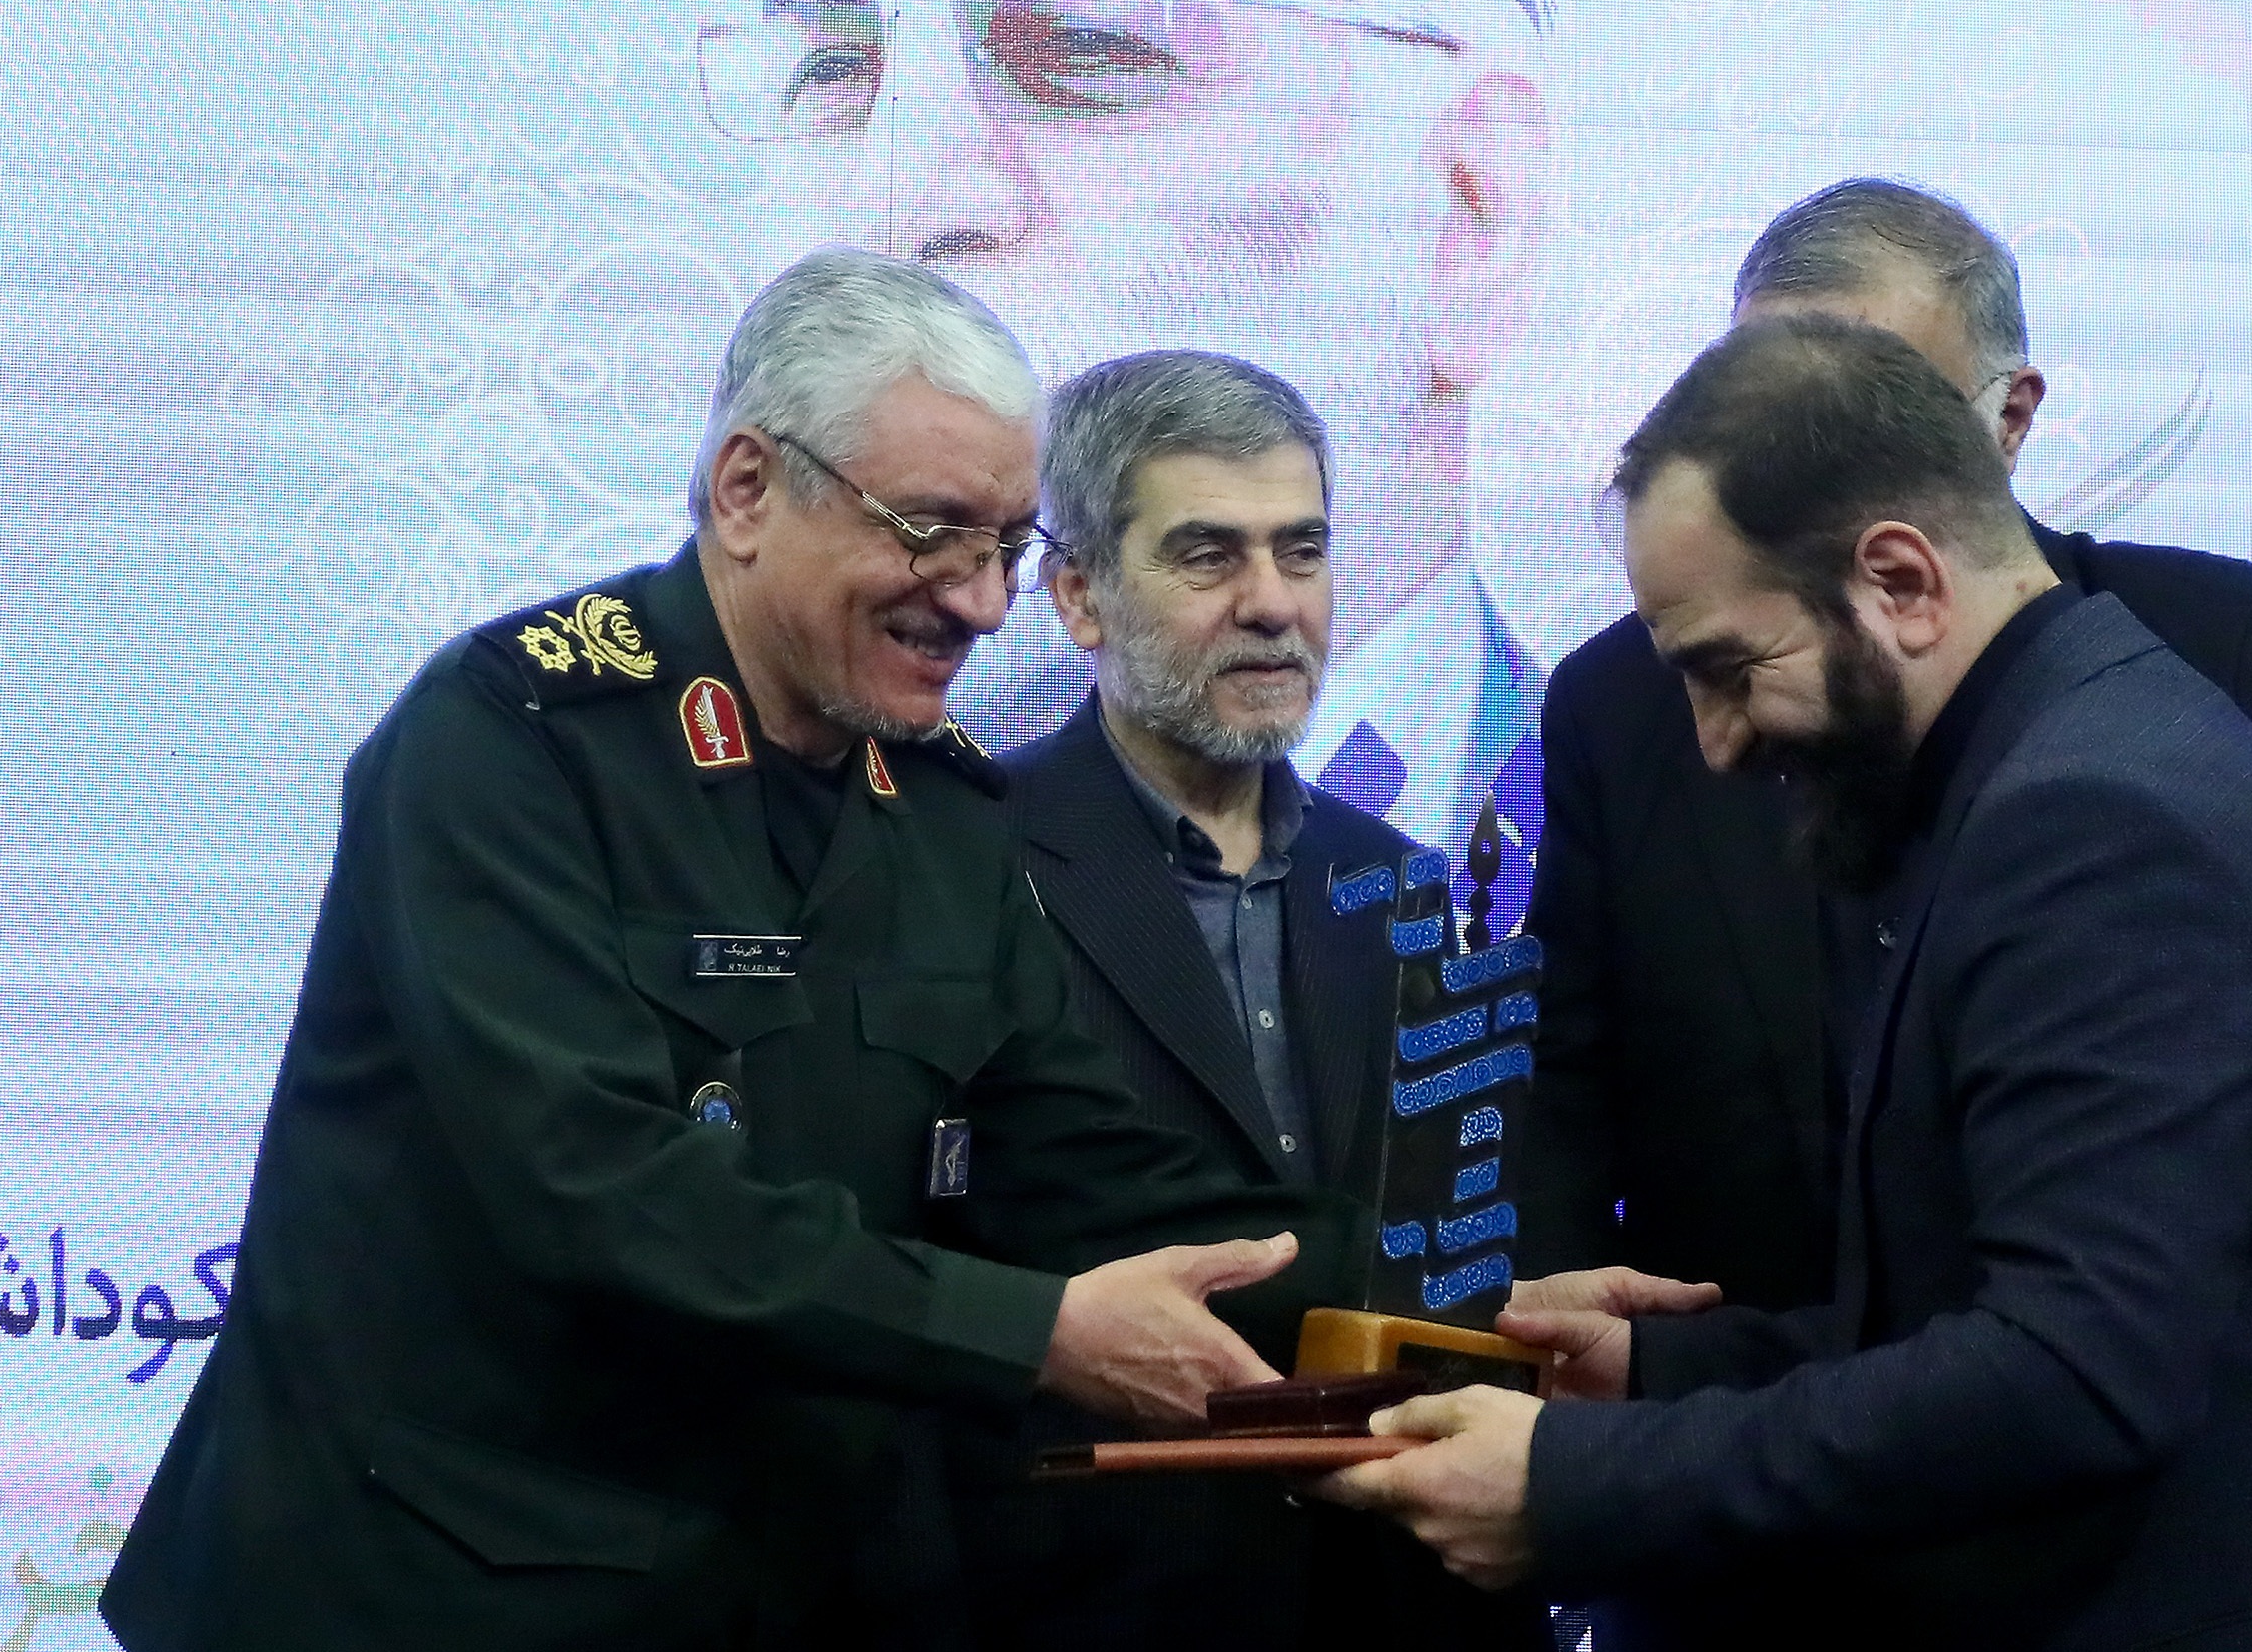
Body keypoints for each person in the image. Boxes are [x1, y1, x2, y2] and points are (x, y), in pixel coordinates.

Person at [100, 249, 1368, 1651]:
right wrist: (1035, 1333)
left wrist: (1459, 1289)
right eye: (932, 530)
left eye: (1006, 547)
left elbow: (1083, 1165)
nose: (979, 600)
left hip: (758, 1585)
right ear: (749, 488)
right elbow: (601, 1187)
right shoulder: (511, 743)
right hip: (429, 1586)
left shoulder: (943, 807)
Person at [1320, 316, 2252, 1648]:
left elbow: (2070, 1373)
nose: (1712, 744)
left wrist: (1578, 1485)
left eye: (1729, 670)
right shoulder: (2066, 756)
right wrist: (1655, 1367)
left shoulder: (2093, 821)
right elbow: (1989, 1311)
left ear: (1903, 582)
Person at [1521, 177, 2252, 1306]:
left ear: (2011, 419)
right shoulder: (1625, 701)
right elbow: (1555, 1097)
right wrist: (1536, 1371)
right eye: (1764, 415)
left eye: (1883, 414)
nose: (1813, 480)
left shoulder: (2218, 644)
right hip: (1733, 1385)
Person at [717, 0, 1562, 866]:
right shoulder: (610, 855)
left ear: (1471, 217)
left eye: (1086, 46)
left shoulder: (1710, 860)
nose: (897, 199)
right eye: (831, 67)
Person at [948, 348, 1546, 1650]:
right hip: (1089, 1595)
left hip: (1395, 1589)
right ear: (1079, 595)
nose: (1274, 604)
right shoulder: (959, 860)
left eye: (1303, 550)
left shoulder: (1404, 881)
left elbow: (1450, 1242)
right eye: (1209, 555)